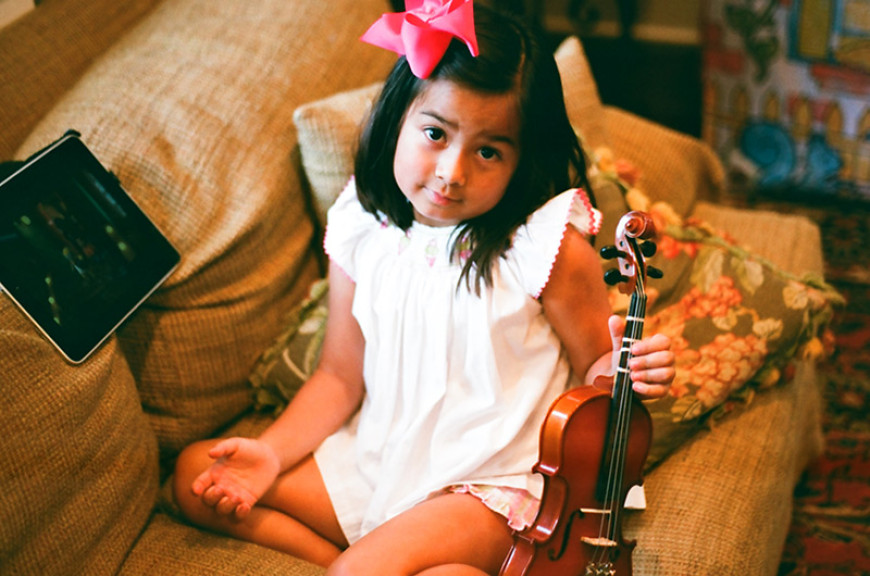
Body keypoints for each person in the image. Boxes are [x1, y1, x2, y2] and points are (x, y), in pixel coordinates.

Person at [173, 2, 675, 574]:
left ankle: (362, 565)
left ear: (522, 160)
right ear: (397, 119)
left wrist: (629, 369)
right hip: (380, 469)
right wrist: (269, 453)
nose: (451, 172)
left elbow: (596, 378)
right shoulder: (364, 228)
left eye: (488, 151)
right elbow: (338, 378)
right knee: (196, 474)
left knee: (366, 569)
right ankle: (355, 560)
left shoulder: (544, 249)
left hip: (488, 489)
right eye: (435, 133)